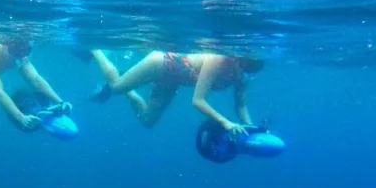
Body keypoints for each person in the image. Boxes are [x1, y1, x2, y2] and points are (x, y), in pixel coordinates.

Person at [83, 49, 263, 134]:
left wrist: (253, 129)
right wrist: (225, 123)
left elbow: (241, 106)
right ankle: (95, 50)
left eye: (252, 71)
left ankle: (130, 91)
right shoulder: (218, 60)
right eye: (246, 67)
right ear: (239, 58)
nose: (246, 74)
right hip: (161, 63)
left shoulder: (243, 75)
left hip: (173, 80)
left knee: (147, 120)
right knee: (115, 87)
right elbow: (198, 100)